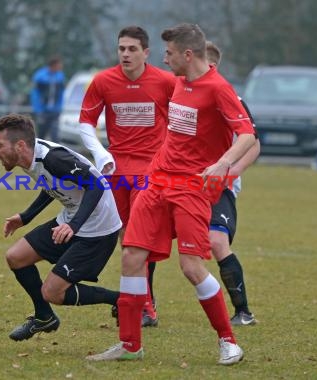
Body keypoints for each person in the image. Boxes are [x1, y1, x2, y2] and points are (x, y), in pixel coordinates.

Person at [86, 23, 255, 365]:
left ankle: (228, 340)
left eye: (170, 54)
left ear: (187, 55)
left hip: (191, 188)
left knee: (191, 266)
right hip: (156, 180)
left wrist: (223, 164)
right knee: (132, 255)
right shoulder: (176, 82)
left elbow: (248, 135)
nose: (165, 60)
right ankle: (130, 344)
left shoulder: (218, 89)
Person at [78, 25, 177, 327]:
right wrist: (99, 152)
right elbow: (85, 122)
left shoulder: (166, 82)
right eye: (121, 48)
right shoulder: (104, 81)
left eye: (132, 49)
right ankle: (141, 300)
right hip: (115, 171)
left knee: (138, 237)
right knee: (124, 237)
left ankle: (144, 306)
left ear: (146, 53)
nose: (125, 54)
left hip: (151, 171)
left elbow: (184, 121)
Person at [0, 113, 122, 342]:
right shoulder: (31, 159)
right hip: (73, 219)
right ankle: (44, 317)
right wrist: (26, 217)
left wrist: (73, 225)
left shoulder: (53, 158)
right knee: (16, 257)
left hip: (98, 229)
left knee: (53, 292)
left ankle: (122, 299)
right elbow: (52, 183)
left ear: (20, 145)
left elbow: (96, 185)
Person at [204, 41, 260, 325]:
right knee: (144, 240)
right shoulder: (179, 96)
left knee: (216, 241)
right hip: (179, 182)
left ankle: (243, 312)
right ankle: (146, 309)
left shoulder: (229, 98)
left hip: (218, 187)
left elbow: (253, 144)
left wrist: (228, 173)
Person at [30, 56, 65, 142]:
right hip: (43, 111)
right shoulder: (40, 76)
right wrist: (38, 109)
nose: (61, 66)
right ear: (53, 65)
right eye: (59, 64)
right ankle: (39, 154)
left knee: (55, 135)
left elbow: (61, 93)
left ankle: (55, 155)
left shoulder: (60, 76)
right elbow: (35, 94)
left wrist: (59, 107)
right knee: (42, 134)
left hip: (55, 111)